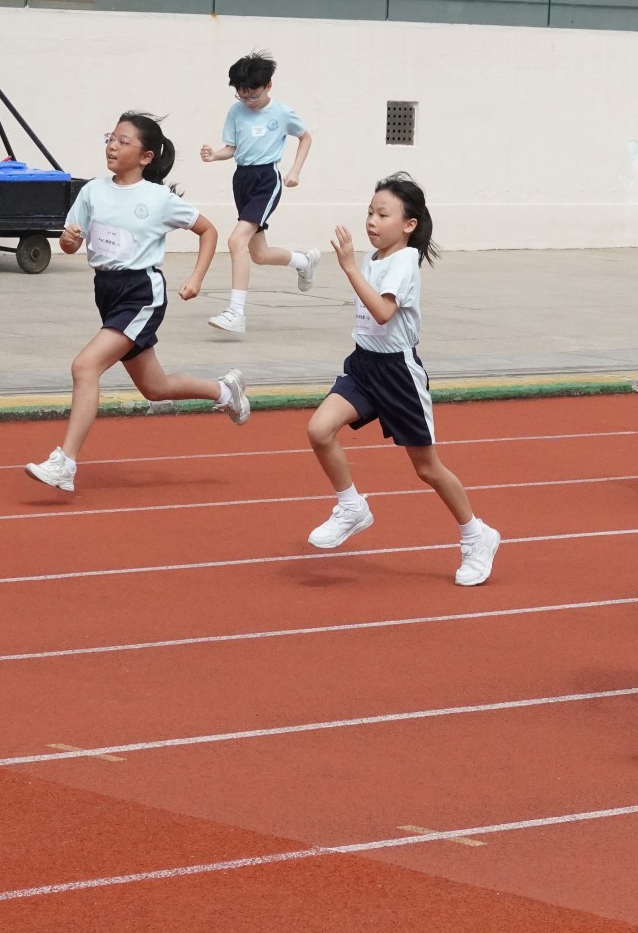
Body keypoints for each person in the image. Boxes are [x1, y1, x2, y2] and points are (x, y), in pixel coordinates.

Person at [26, 113, 250, 493]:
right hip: (106, 289)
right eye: (110, 138)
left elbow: (208, 230)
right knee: (155, 388)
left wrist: (196, 277)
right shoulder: (92, 192)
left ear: (146, 157)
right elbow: (69, 243)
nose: (112, 146)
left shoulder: (158, 199)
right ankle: (225, 391)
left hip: (141, 292)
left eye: (123, 141)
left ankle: (65, 463)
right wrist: (69, 240)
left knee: (85, 367)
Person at [304, 174, 502, 587]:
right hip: (364, 365)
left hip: (398, 374)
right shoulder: (373, 259)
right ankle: (351, 507)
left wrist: (347, 267)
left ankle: (476, 535)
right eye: (369, 213)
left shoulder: (404, 263)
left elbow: (382, 313)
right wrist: (356, 266)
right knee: (319, 429)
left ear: (409, 225)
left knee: (427, 468)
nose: (372, 221)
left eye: (383, 214)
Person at [199, 51, 317, 334]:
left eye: (253, 96)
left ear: (268, 86)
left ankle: (236, 312)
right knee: (259, 254)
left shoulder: (282, 113)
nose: (248, 101)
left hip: (267, 180)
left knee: (236, 240)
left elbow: (305, 137)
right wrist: (215, 155)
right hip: (242, 179)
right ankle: (304, 261)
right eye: (242, 96)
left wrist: (295, 171)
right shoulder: (235, 111)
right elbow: (232, 148)